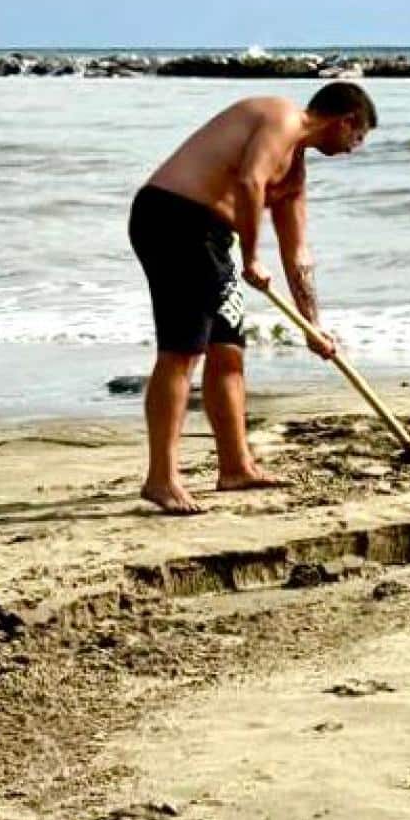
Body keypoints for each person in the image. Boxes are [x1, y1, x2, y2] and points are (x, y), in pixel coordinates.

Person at [127, 80, 376, 514]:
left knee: (228, 351)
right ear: (346, 120)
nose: (356, 149)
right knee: (182, 352)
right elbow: (249, 180)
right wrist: (250, 256)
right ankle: (161, 478)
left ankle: (235, 465)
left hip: (212, 237)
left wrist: (312, 325)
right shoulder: (281, 116)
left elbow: (298, 254)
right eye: (358, 138)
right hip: (173, 219)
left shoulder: (296, 174)